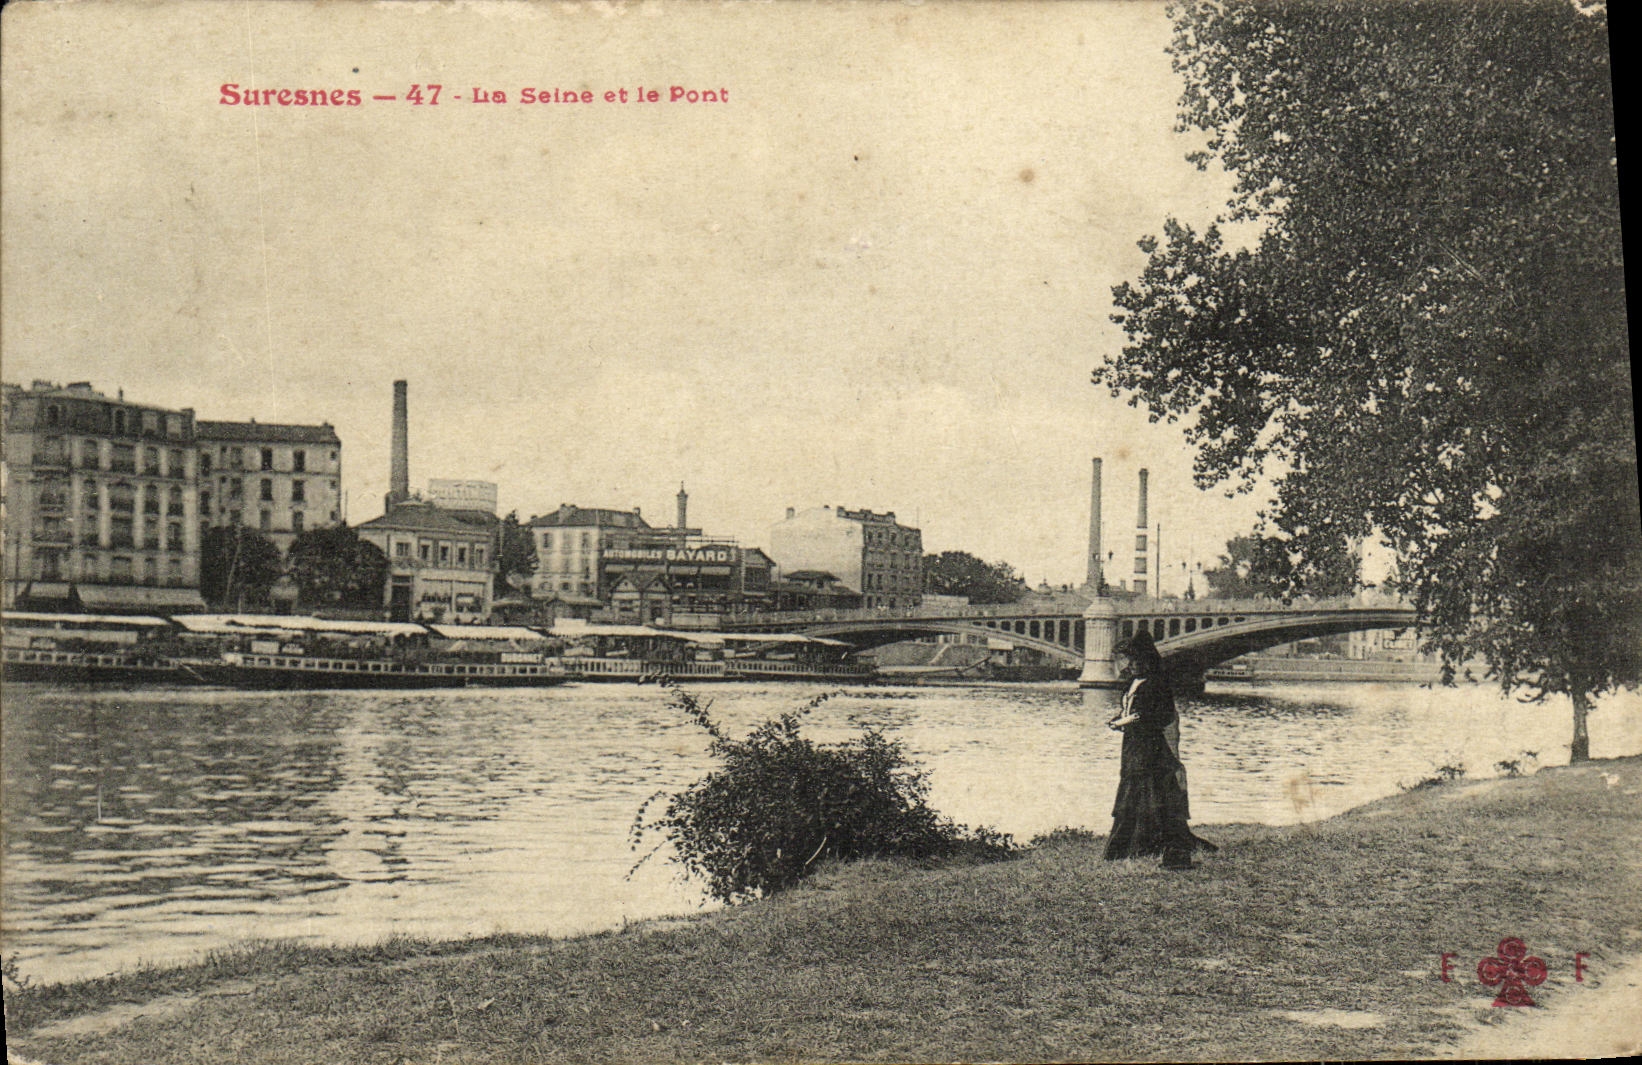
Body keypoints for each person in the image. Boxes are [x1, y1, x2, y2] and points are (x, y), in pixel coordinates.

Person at [1103, 628, 1216, 870]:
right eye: (1128, 660)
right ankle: (1129, 842)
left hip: (1150, 745)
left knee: (1149, 786)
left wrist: (1132, 720)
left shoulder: (1157, 684)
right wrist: (1119, 719)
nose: (1130, 665)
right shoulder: (1133, 683)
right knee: (1132, 783)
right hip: (1132, 744)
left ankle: (1147, 842)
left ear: (1146, 660)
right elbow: (1130, 711)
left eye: (1135, 660)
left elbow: (1161, 716)